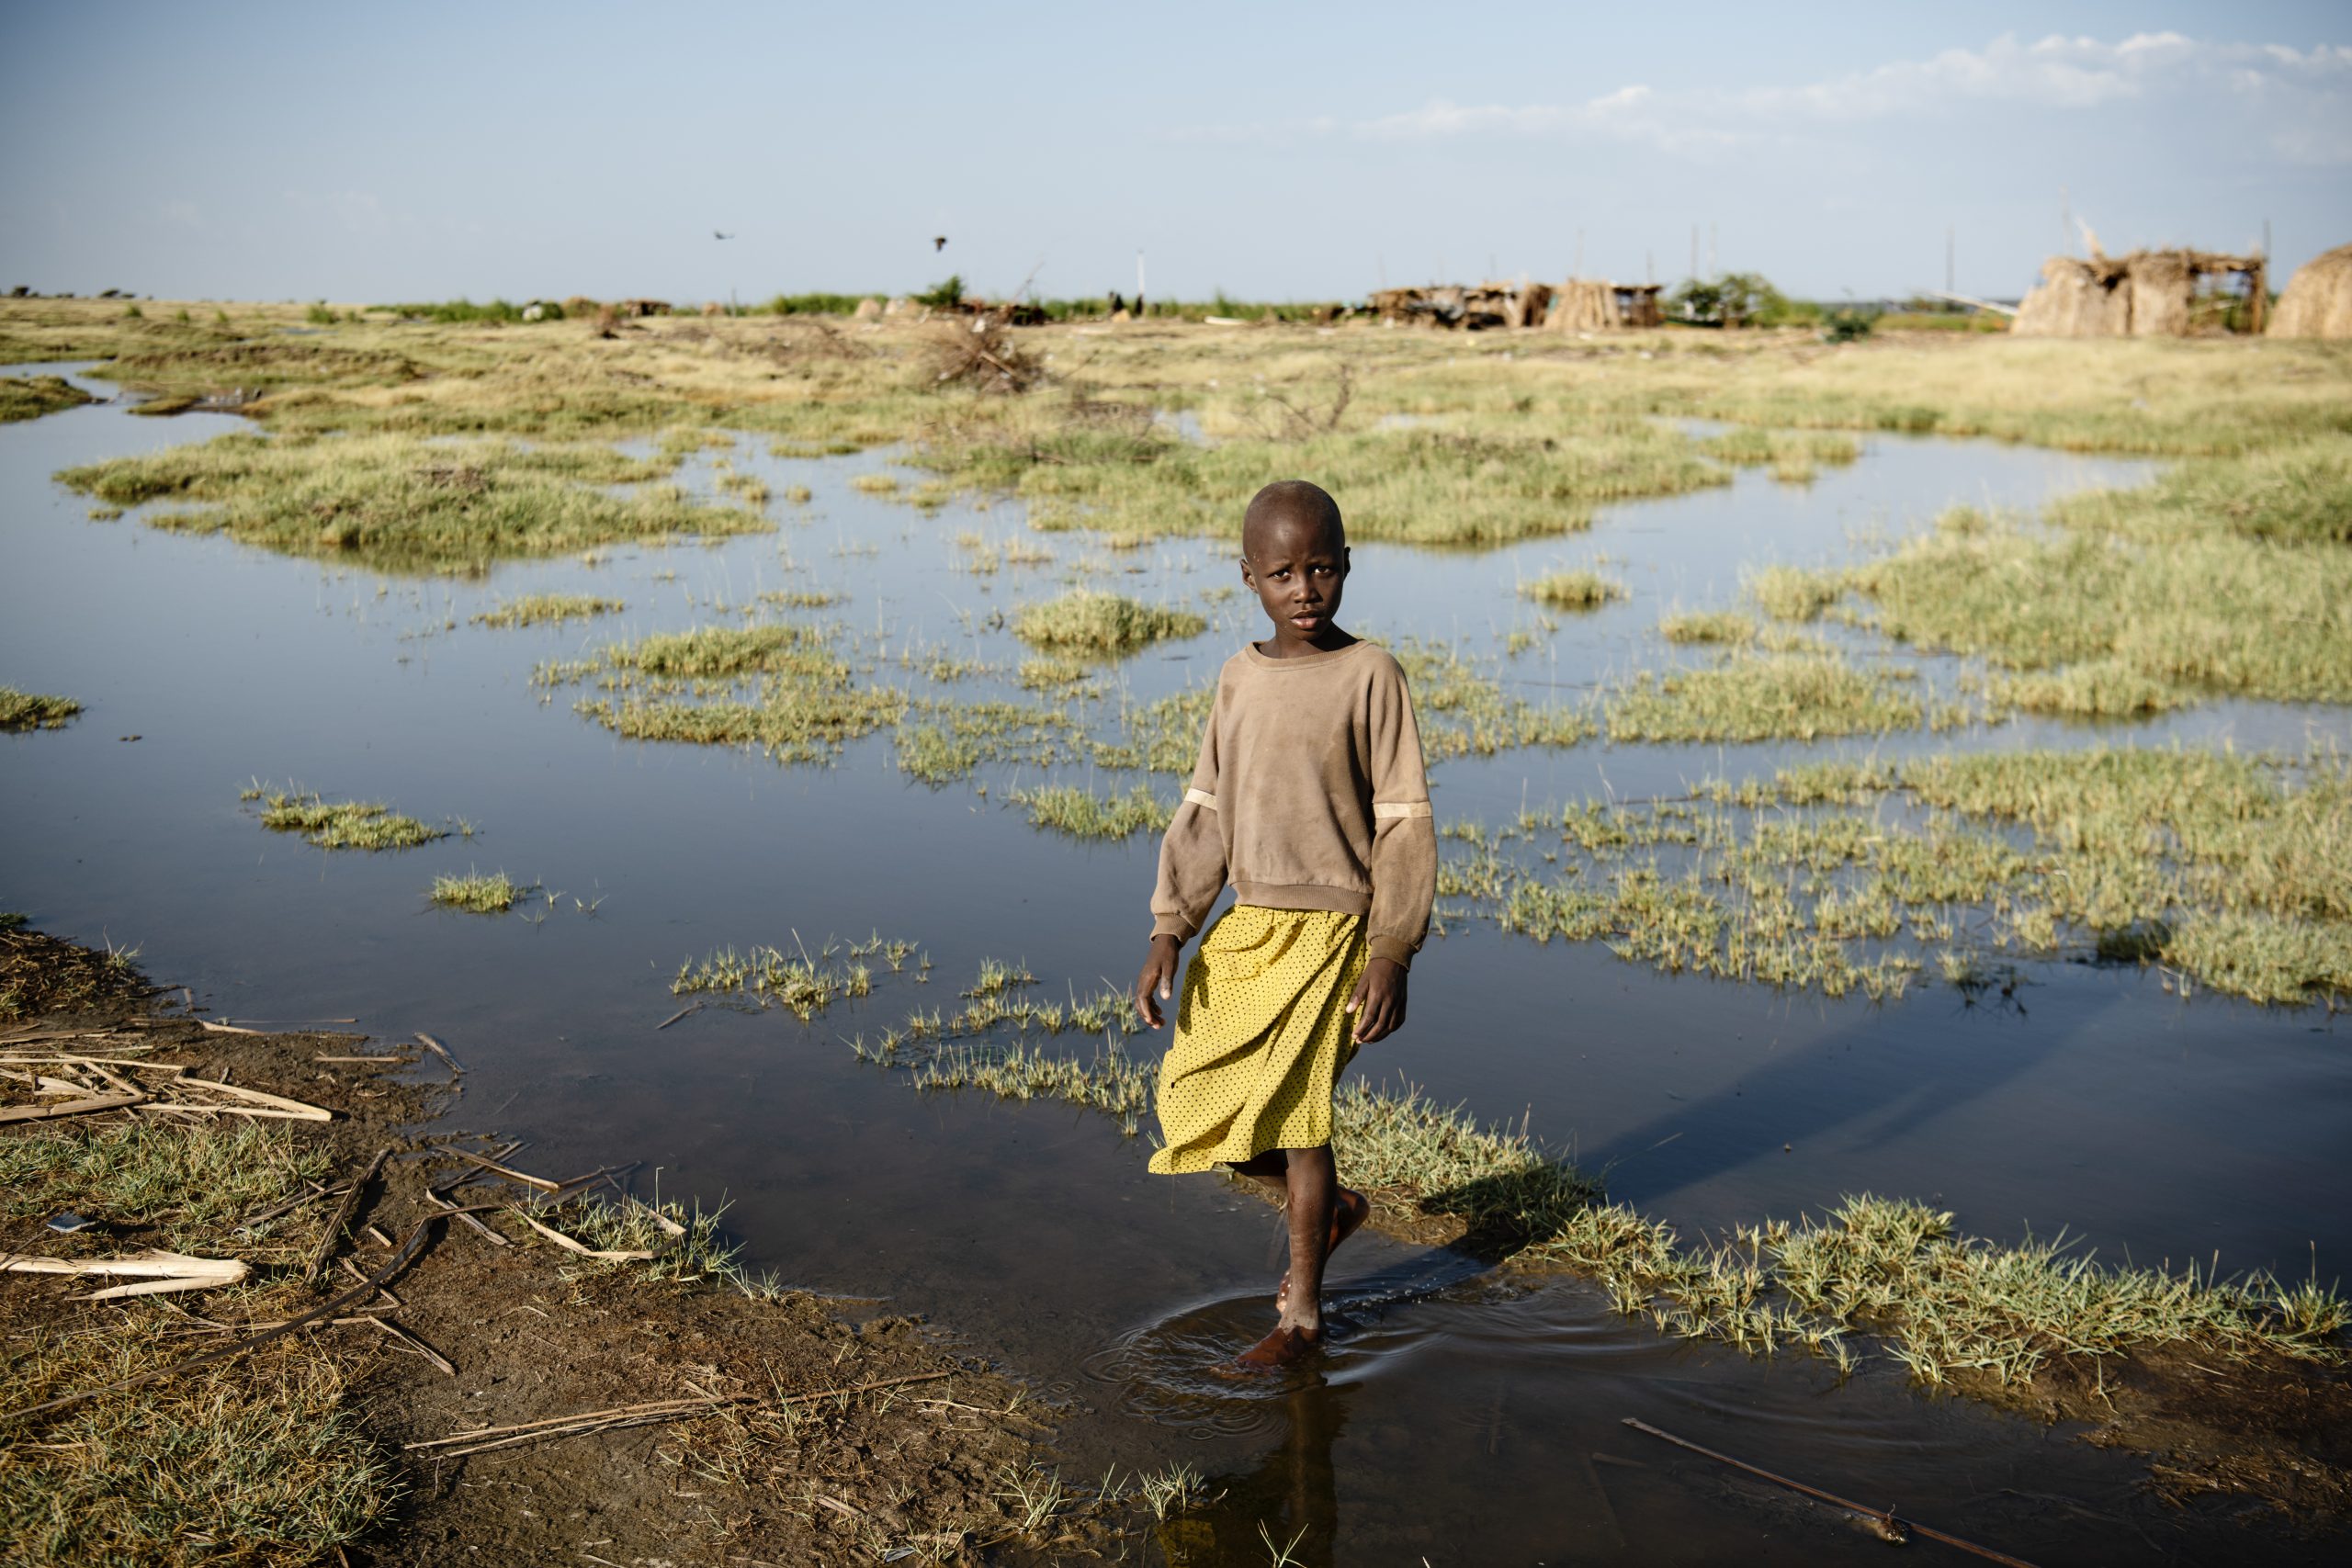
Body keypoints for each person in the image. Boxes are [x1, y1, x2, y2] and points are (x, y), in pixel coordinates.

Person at [1134, 479, 1437, 1371]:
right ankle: (1333, 1208)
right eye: (1281, 573)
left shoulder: (1370, 674)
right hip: (1251, 927)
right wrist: (1169, 928)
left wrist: (1391, 950)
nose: (1303, 589)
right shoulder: (1237, 678)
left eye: (1320, 569)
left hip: (1336, 935)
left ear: (1345, 567)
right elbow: (1207, 807)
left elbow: (1404, 820)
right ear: (1248, 577)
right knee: (1202, 1101)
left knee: (1302, 1122)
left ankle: (1302, 1316)